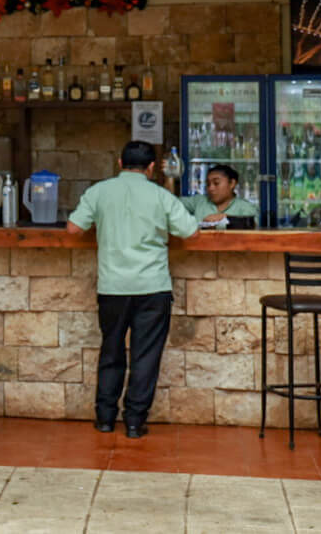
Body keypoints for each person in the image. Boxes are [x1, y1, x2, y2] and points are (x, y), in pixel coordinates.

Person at [65, 140, 198, 438]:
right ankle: (135, 422)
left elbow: (73, 229)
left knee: (111, 350)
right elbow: (190, 231)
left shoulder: (99, 192)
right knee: (145, 356)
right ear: (151, 168)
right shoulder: (160, 195)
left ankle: (105, 418)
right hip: (152, 287)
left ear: (119, 162)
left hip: (112, 287)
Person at [181, 164, 259, 223]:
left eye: (216, 183)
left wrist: (227, 219)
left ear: (232, 183)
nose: (211, 188)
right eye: (208, 184)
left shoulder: (245, 208)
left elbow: (252, 225)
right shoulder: (198, 202)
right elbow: (172, 203)